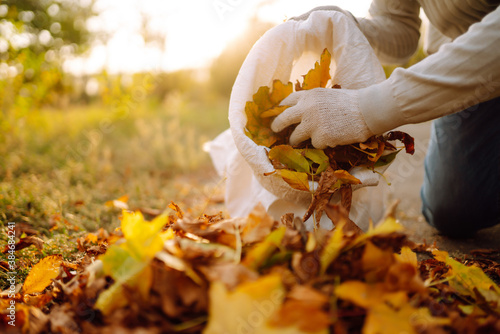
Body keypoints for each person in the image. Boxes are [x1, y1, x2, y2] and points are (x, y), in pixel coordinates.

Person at [271, 1, 500, 237]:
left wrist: (364, 109)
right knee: (453, 207)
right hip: (463, 72)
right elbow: (400, 29)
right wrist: (349, 26)